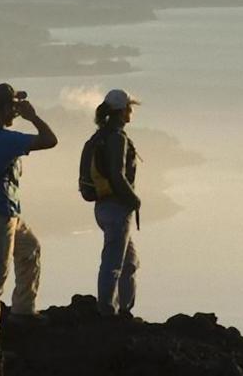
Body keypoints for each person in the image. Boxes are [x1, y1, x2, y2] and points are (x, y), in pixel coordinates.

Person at [0, 83, 57, 340]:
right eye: (14, 107)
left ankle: (23, 310)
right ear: (6, 108)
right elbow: (50, 140)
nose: (16, 113)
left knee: (30, 248)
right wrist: (33, 117)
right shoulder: (2, 139)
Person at [92, 89, 142, 319]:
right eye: (130, 107)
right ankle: (108, 313)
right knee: (113, 262)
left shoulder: (100, 136)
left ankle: (124, 311)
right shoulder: (117, 138)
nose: (132, 111)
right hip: (116, 208)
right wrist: (133, 199)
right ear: (122, 111)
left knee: (129, 261)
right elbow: (117, 174)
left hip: (103, 207)